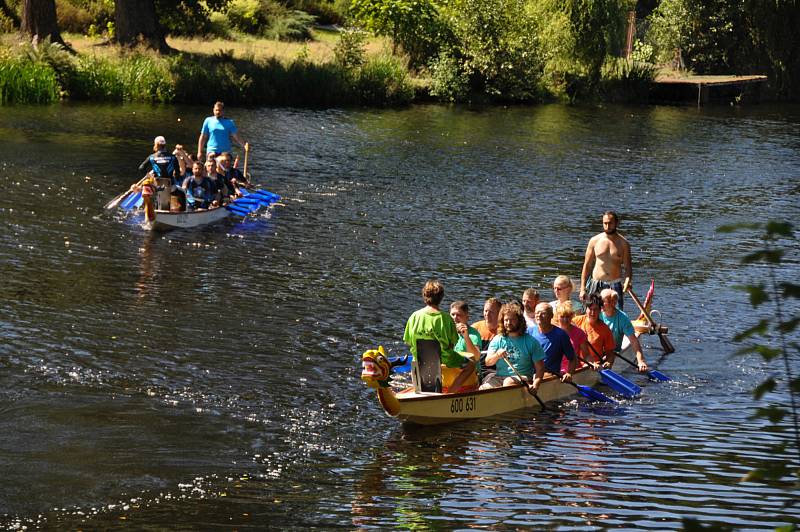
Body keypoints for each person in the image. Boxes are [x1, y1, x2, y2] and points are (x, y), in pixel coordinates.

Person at [403, 280, 474, 389]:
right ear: (441, 297)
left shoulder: (414, 316)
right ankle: (451, 392)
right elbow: (452, 344)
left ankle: (416, 388)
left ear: (424, 295)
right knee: (471, 365)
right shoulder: (446, 318)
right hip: (443, 358)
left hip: (419, 359)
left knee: (415, 359)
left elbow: (408, 341)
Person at [479, 302, 545, 391]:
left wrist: (536, 385)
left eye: (512, 319)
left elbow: (540, 368)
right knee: (484, 388)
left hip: (523, 378)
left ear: (519, 321)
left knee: (508, 382)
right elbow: (488, 362)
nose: (508, 323)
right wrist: (497, 355)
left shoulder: (531, 341)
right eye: (506, 320)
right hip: (499, 377)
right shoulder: (497, 339)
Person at [580, 210, 632, 309]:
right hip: (596, 284)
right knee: (591, 313)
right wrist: (582, 288)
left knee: (615, 315)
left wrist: (627, 281)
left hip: (614, 284)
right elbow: (587, 265)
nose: (607, 226)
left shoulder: (624, 243)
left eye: (610, 223)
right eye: (605, 223)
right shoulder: (594, 241)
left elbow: (628, 267)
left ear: (616, 223)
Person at [599, 289, 649, 372]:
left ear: (613, 303)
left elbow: (633, 341)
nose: (600, 304)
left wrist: (641, 361)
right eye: (600, 300)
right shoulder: (597, 314)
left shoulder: (622, 318)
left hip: (613, 352)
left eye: (603, 301)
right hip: (598, 352)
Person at [529, 303, 576, 382]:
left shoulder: (561, 335)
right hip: (529, 374)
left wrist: (569, 373)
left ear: (551, 315)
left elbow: (573, 359)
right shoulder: (529, 332)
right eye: (537, 312)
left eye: (543, 313)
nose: (539, 315)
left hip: (549, 375)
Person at [138, 135, 185, 211]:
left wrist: (150, 176)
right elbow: (177, 174)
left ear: (156, 145)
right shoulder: (173, 157)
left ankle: (149, 208)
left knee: (148, 186)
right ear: (165, 145)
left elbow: (141, 168)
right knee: (179, 192)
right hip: (171, 186)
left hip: (157, 186)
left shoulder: (152, 157)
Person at [572, 293, 616, 368]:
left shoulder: (604, 329)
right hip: (575, 363)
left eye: (595, 309)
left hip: (594, 365)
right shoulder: (575, 321)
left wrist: (609, 363)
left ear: (600, 310)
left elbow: (610, 353)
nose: (592, 313)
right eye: (590, 309)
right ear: (586, 309)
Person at [554, 301, 591, 372]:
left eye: (567, 317)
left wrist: (590, 364)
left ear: (571, 316)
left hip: (574, 370)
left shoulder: (579, 333)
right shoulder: (552, 332)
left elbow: (587, 355)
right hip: (557, 371)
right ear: (557, 317)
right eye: (562, 317)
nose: (565, 320)